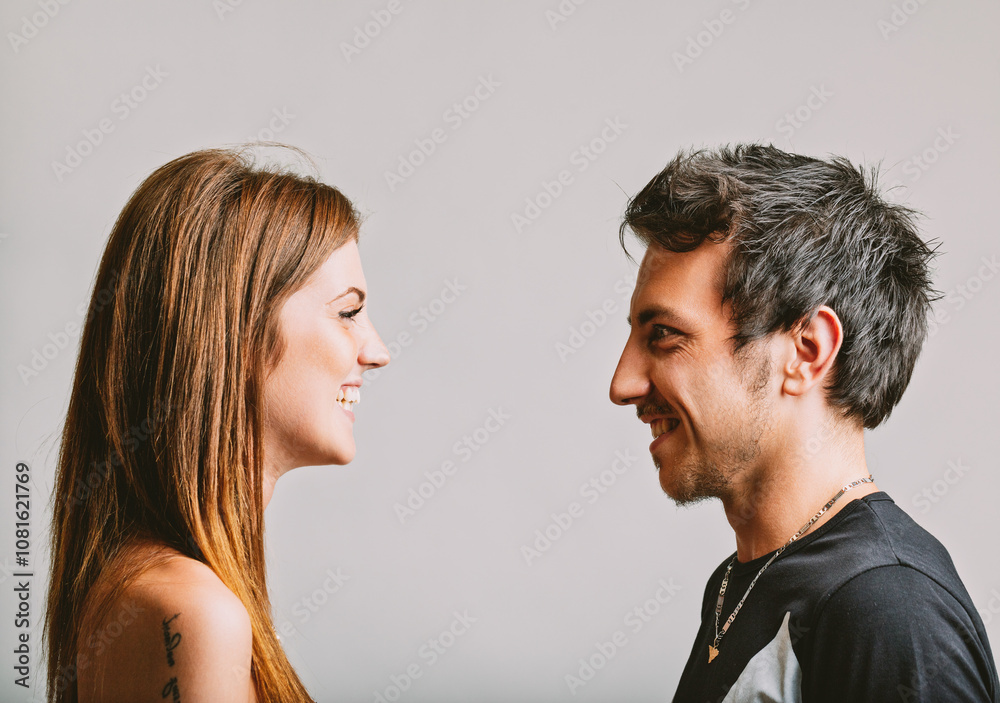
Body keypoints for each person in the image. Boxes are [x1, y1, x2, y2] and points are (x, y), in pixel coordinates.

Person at [609, 144, 998, 702]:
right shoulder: (738, 584)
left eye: (664, 335)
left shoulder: (889, 609)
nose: (622, 384)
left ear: (807, 351)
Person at [44, 145, 390, 703]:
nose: (377, 353)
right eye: (348, 312)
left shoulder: (147, 590)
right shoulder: (195, 613)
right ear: (235, 330)